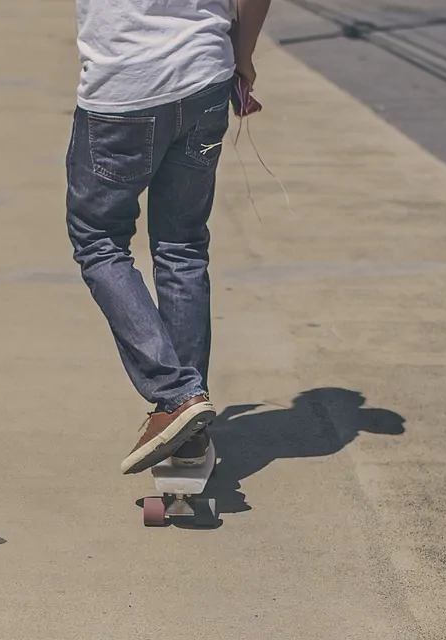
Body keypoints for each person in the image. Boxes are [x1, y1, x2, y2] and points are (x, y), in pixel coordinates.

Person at [66, 0, 272, 475]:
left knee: (99, 240)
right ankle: (188, 428)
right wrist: (242, 56)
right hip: (204, 76)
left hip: (123, 88)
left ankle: (176, 395)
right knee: (181, 245)